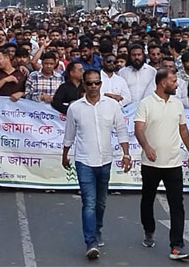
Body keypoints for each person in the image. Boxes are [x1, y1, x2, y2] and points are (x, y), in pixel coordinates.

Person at [62, 69, 130, 259]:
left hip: (105, 160)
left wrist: (126, 153)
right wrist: (65, 155)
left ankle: (97, 228)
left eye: (97, 83)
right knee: (89, 202)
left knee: (101, 202)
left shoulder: (112, 106)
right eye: (89, 83)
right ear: (84, 85)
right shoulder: (75, 108)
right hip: (84, 160)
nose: (93, 87)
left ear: (101, 84)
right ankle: (90, 241)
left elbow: (122, 130)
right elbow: (69, 135)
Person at [133, 68, 189, 260]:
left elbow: (183, 130)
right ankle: (148, 230)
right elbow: (139, 129)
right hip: (151, 163)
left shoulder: (177, 104)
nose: (177, 84)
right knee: (148, 199)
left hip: (173, 163)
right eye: (174, 81)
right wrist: (147, 147)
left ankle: (176, 245)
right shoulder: (145, 104)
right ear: (162, 83)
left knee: (177, 204)